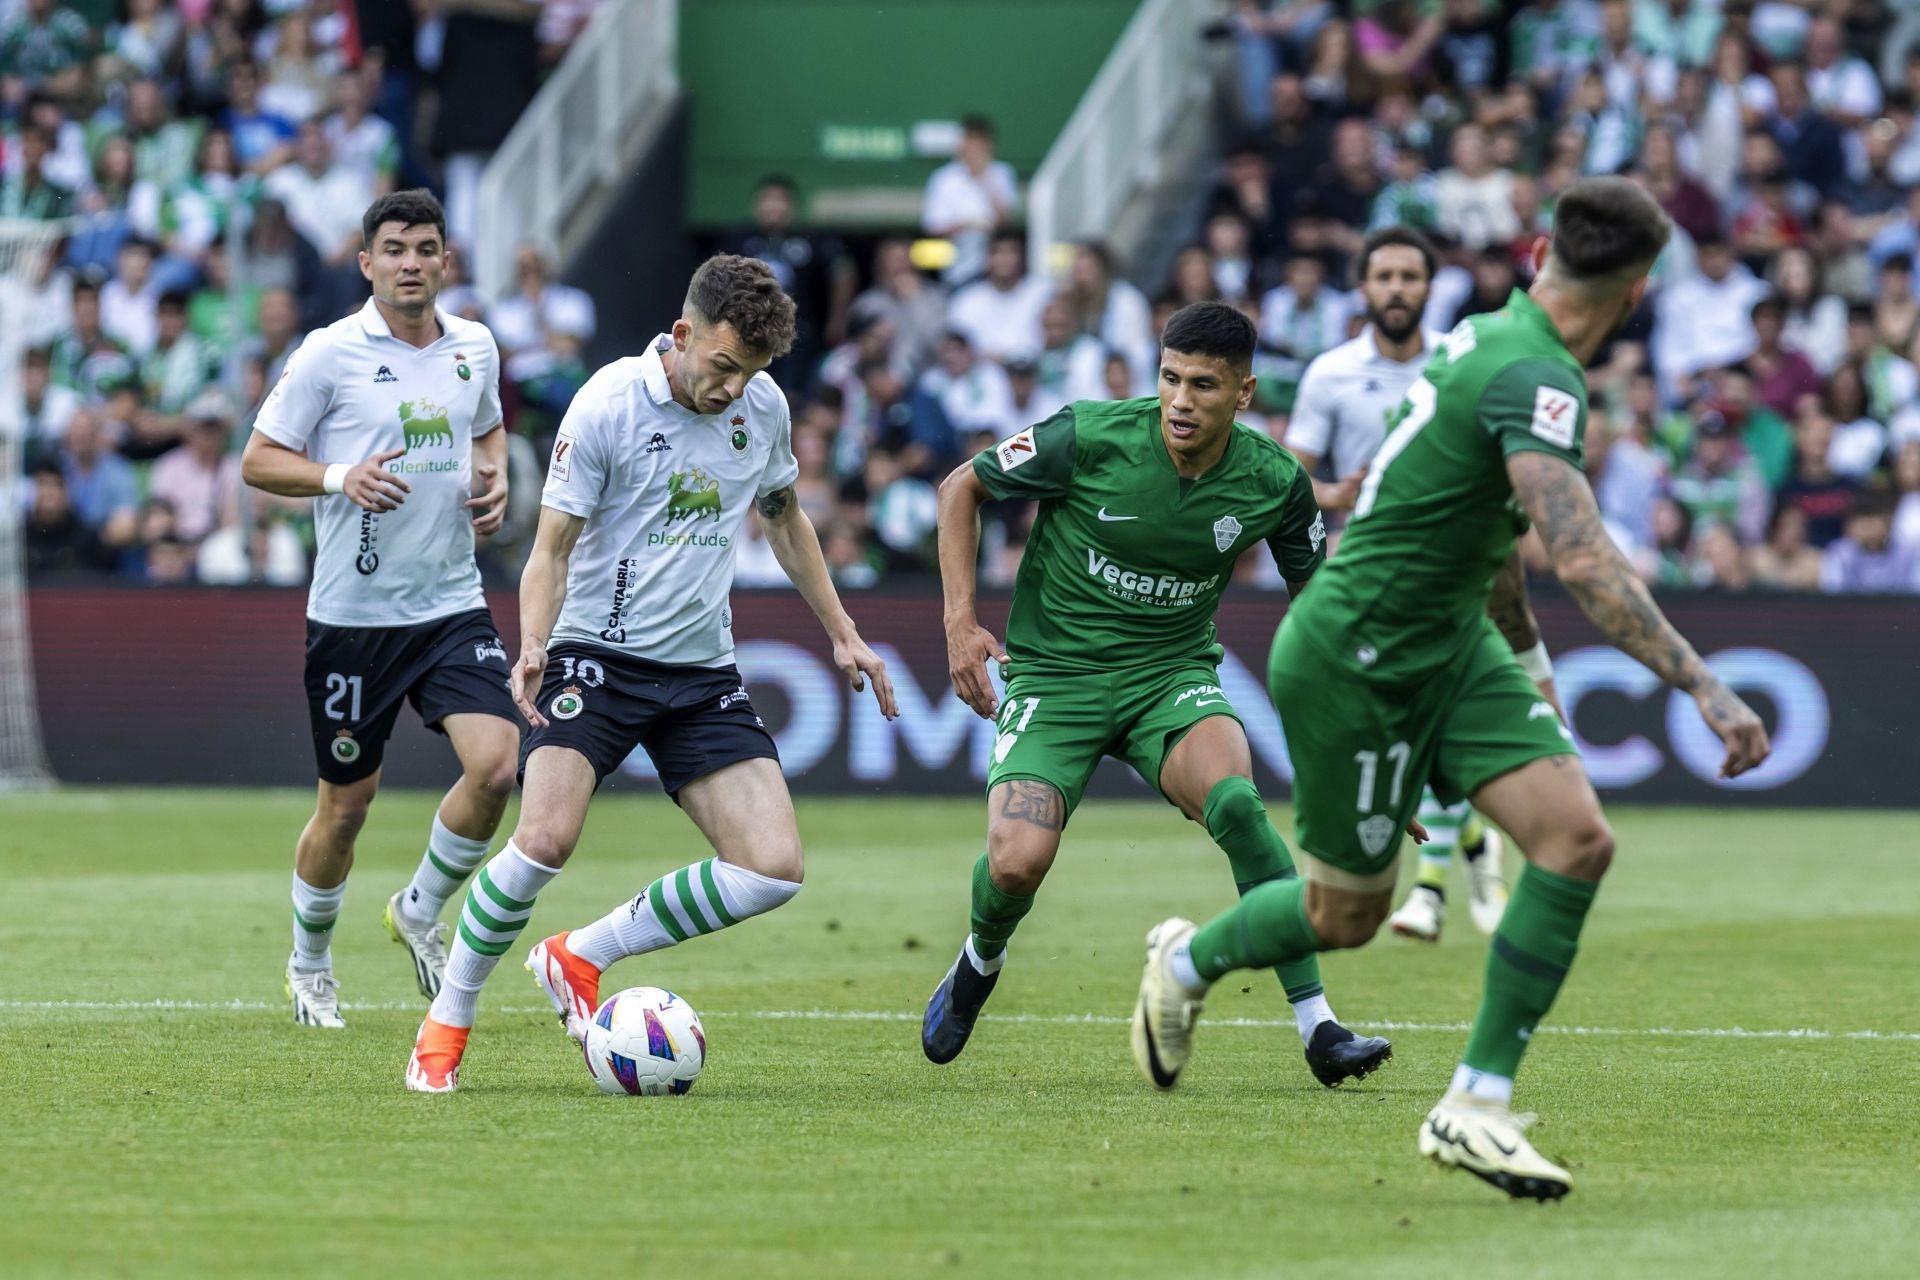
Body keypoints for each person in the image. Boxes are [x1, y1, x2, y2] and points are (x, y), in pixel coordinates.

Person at [1130, 178, 1770, 1200]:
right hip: (1358, 651)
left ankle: (1472, 1104)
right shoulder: (1536, 378)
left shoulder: (1486, 334)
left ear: (1539, 257)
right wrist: (1704, 684)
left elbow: (1499, 540)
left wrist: (1525, 665)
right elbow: (1582, 555)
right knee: (1347, 914)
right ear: (1640, 288)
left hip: (1452, 638)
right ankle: (1189, 960)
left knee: (1574, 836)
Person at [404, 254, 898, 1093]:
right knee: (546, 839)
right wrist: (534, 646)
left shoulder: (763, 407)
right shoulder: (606, 405)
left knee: (773, 868)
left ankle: (580, 953)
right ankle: (445, 1023)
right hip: (595, 656)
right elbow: (549, 548)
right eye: (723, 367)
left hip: (702, 670)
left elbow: (785, 520)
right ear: (682, 335)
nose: (735, 389)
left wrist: (844, 632)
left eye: (752, 374)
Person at [920, 300, 1392, 1087]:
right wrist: (959, 622)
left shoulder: (1275, 482)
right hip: (1056, 677)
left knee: (1239, 805)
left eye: (1203, 385)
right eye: (1170, 378)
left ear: (1242, 393)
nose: (1179, 400)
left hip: (1170, 679)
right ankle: (980, 958)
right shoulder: (1090, 434)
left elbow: (1320, 613)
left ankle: (1319, 1027)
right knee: (1014, 866)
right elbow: (960, 487)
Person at [240, 189, 519, 1030]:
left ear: (445, 260)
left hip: (450, 604)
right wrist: (338, 476)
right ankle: (309, 964)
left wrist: (496, 471)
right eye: (393, 249)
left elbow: (489, 428)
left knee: (499, 766)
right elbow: (258, 461)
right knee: (346, 806)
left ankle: (420, 908)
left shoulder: (475, 346)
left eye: (424, 248)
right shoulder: (329, 353)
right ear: (367, 263)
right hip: (354, 619)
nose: (410, 263)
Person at [1288, 227, 1518, 943]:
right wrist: (1331, 495)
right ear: (1363, 287)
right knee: (1391, 726)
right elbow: (1291, 479)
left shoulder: (1457, 364)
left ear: (1429, 286)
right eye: (1383, 276)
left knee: (1433, 714)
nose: (1396, 289)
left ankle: (1429, 892)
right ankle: (1475, 842)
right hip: (1357, 581)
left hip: (1443, 571)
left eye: (1409, 277)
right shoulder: (1330, 373)